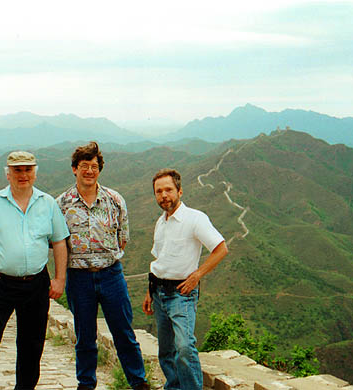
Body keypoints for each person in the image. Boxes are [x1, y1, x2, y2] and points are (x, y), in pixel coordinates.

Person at [0, 151, 69, 390]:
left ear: (35, 172)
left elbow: (60, 241)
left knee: (32, 344)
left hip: (36, 284)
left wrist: (60, 279)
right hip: (1, 283)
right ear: (7, 174)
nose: (23, 175)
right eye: (17, 170)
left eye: (28, 169)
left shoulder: (47, 203)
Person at [56, 142, 150, 390]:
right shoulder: (62, 204)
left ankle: (138, 382)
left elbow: (123, 238)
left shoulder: (115, 200)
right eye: (84, 166)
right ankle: (86, 384)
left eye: (94, 166)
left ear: (100, 169)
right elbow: (56, 243)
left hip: (111, 275)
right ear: (74, 169)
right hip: (78, 278)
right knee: (85, 337)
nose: (89, 170)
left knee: (124, 333)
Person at [143, 168, 228, 390]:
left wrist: (197, 275)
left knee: (184, 347)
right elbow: (158, 259)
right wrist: (149, 292)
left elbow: (221, 248)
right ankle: (174, 386)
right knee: (166, 350)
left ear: (180, 191)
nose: (163, 195)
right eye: (159, 191)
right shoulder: (160, 222)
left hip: (181, 293)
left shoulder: (195, 219)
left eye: (168, 190)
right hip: (159, 292)